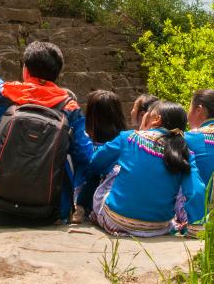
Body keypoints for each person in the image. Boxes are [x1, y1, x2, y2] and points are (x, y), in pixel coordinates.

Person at [0, 25, 94, 225]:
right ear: (57, 74)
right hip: (48, 212)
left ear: (25, 70)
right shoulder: (70, 108)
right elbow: (86, 158)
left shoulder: (5, 94)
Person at [87, 100, 206, 237]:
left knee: (115, 173)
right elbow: (196, 190)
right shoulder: (185, 153)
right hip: (157, 227)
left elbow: (96, 163)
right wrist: (197, 227)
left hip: (116, 221)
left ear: (156, 119)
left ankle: (96, 215)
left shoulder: (128, 138)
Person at [76, 90, 129, 218]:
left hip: (89, 198)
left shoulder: (86, 143)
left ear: (91, 116)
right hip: (120, 197)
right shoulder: (127, 142)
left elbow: (91, 166)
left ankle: (80, 207)